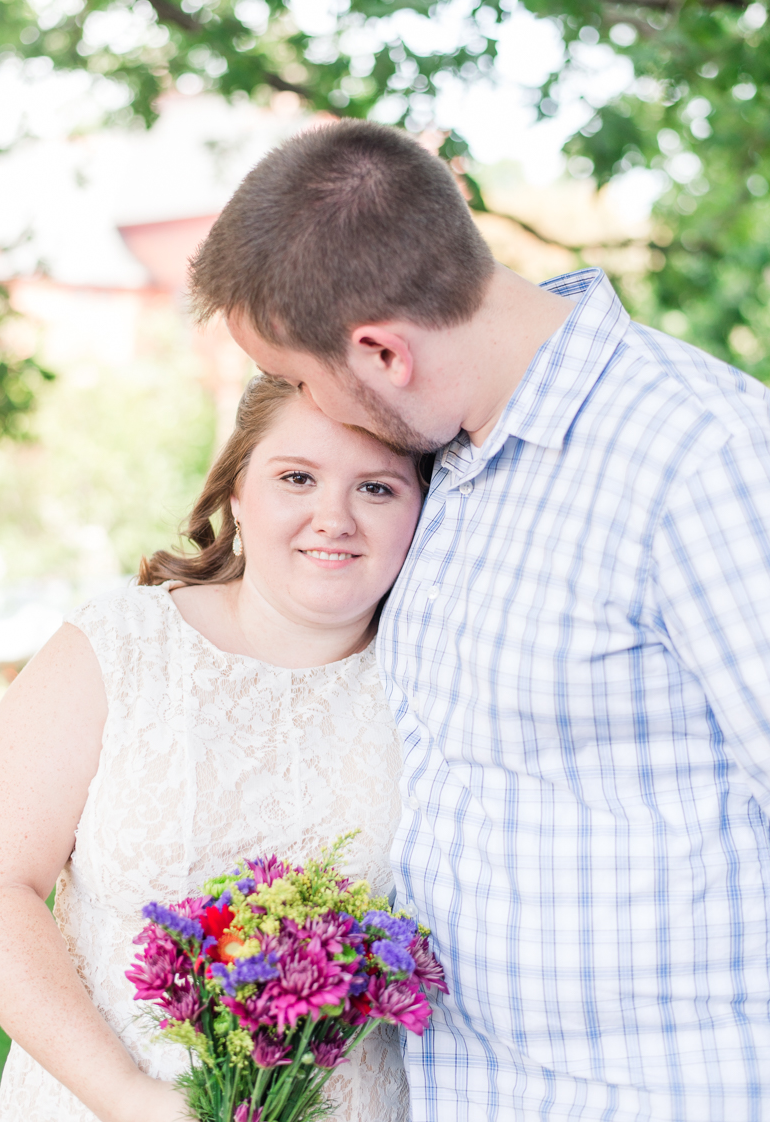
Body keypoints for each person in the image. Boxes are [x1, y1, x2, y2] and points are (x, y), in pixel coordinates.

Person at [189, 118, 770, 1121]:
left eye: (304, 375)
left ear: (381, 351)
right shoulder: (441, 461)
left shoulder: (702, 456)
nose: (309, 402)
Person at [0, 374, 426, 1122]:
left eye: (377, 488)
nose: (334, 517)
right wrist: (128, 1097)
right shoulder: (118, 647)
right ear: (237, 491)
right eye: (297, 478)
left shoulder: (441, 688)